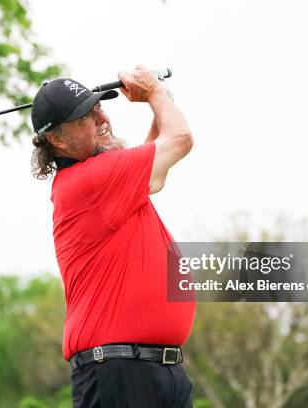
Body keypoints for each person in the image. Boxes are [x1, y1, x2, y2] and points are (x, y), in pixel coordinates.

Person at [30, 65, 196, 407]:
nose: (102, 118)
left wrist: (161, 101)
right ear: (58, 139)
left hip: (155, 371)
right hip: (119, 373)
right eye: (86, 118)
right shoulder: (90, 180)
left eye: (98, 107)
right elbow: (180, 140)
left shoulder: (107, 182)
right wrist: (153, 94)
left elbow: (154, 175)